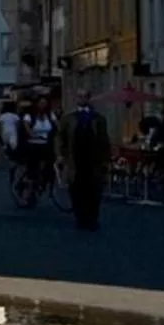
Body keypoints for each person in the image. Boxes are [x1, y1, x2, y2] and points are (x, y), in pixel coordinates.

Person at [59, 94, 111, 231]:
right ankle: (80, 216)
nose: (82, 99)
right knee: (76, 190)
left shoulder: (98, 119)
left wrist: (106, 160)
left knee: (94, 191)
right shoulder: (69, 118)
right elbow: (60, 138)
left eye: (85, 97)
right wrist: (60, 155)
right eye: (79, 96)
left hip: (93, 160)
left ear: (89, 99)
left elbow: (104, 140)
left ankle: (92, 218)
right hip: (75, 160)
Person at [0, 97, 22, 162]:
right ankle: (13, 156)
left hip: (4, 132)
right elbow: (18, 126)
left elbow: (0, 126)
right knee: (13, 145)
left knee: (5, 144)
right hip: (13, 132)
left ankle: (7, 154)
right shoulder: (15, 116)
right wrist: (18, 133)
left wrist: (0, 133)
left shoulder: (2, 116)